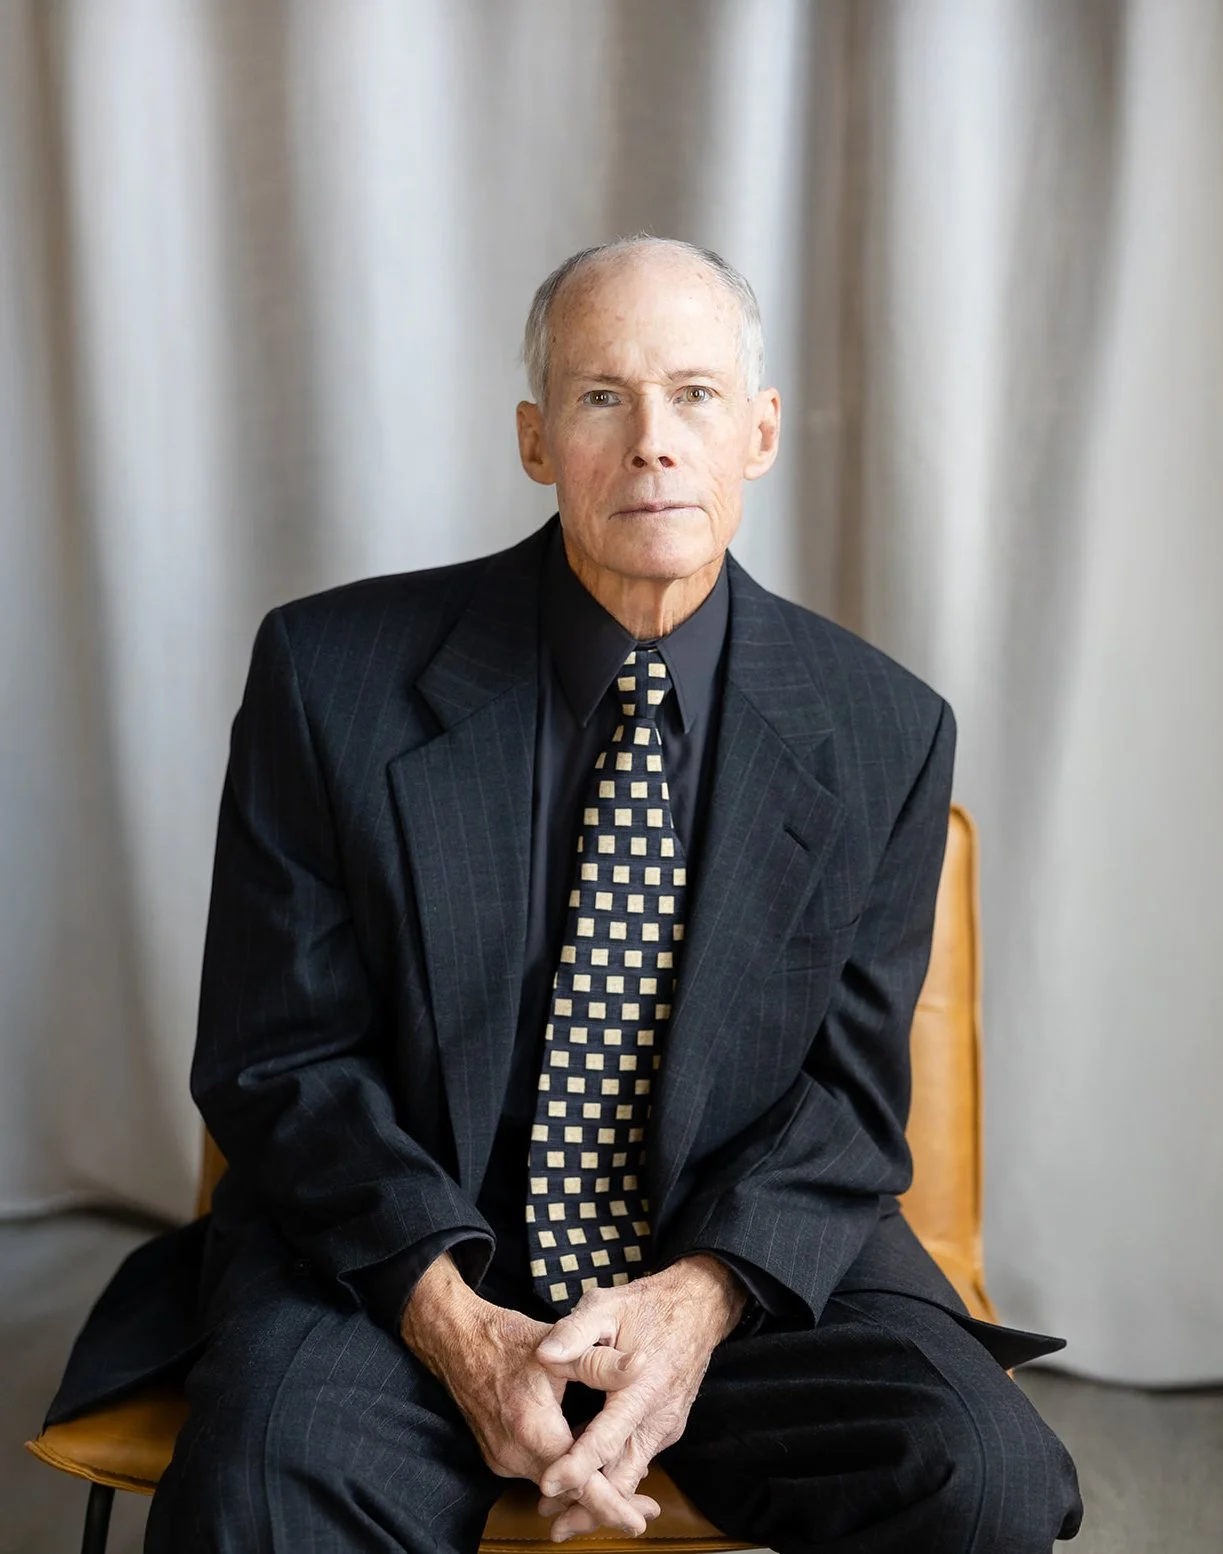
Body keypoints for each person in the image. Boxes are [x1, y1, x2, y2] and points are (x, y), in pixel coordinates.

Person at [49, 236, 1083, 1551]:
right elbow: (280, 1055)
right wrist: (455, 1323)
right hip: (405, 1260)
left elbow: (841, 1105)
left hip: (730, 1269)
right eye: (603, 396)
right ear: (537, 440)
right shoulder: (330, 675)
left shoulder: (882, 728)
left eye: (696, 395)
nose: (653, 440)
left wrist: (697, 1299)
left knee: (977, 1475)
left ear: (759, 432)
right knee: (264, 1493)